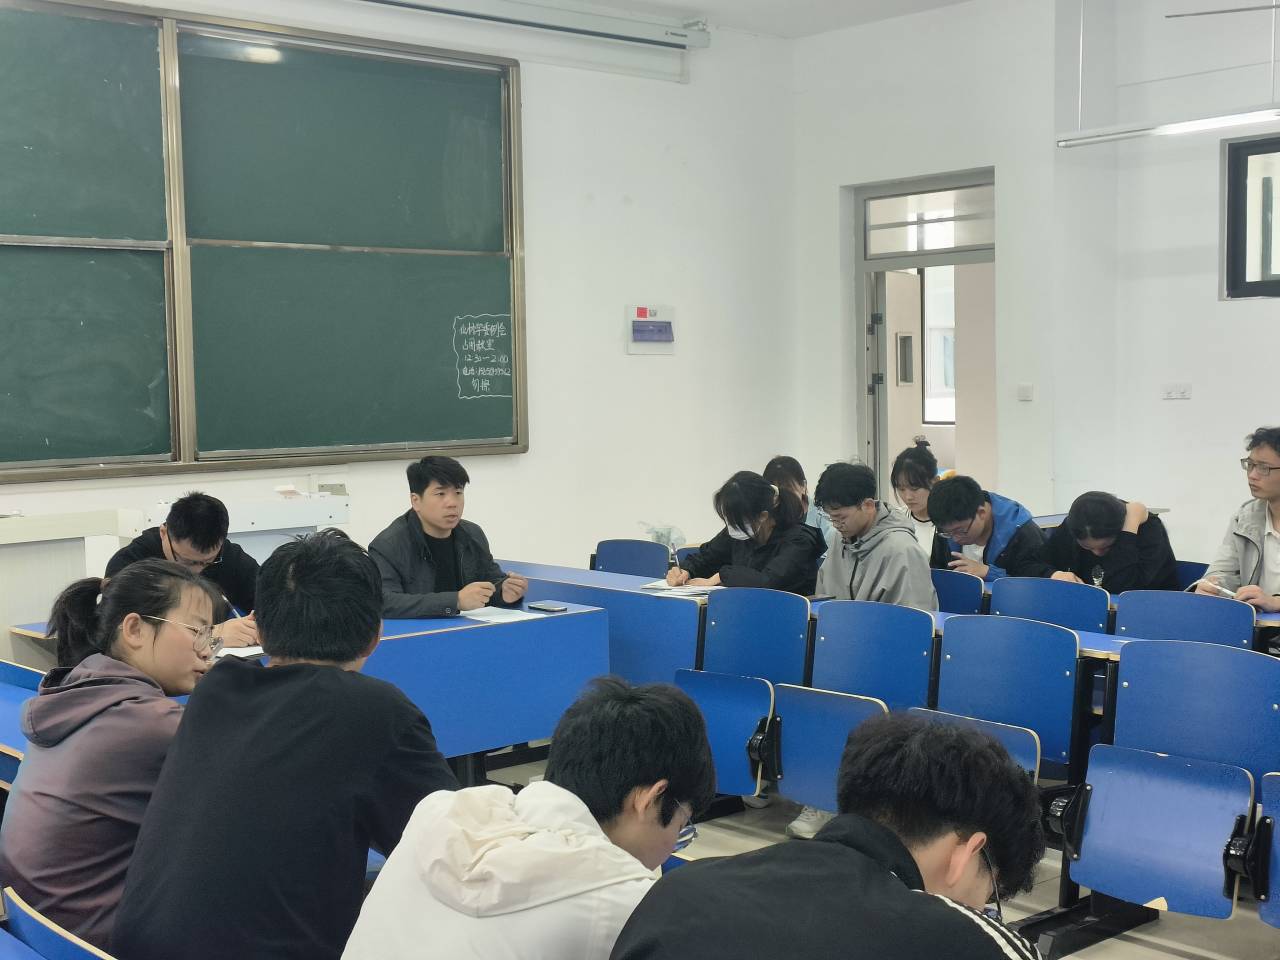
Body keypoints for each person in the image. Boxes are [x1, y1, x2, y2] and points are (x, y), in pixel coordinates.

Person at [113, 530, 459, 960]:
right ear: (375, 634)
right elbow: (456, 853)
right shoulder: (377, 710)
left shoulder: (217, 688)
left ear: (261, 627)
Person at [609, 712, 1043, 960]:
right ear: (969, 851)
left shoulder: (683, 888)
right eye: (990, 896)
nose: (982, 912)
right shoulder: (971, 944)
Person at [343, 677, 715, 960]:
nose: (672, 846)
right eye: (681, 826)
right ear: (650, 799)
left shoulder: (441, 813)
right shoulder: (621, 902)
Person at [0, 560, 220, 951]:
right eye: (197, 631)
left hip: (38, 929)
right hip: (100, 937)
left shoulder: (74, 692)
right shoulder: (153, 724)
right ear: (134, 629)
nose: (208, 651)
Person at [369, 455, 527, 618]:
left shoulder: (472, 534)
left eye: (458, 492)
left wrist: (504, 592)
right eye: (440, 494)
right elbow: (384, 602)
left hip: (470, 629)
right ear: (416, 501)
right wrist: (455, 601)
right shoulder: (388, 545)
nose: (452, 503)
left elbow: (492, 582)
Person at [104, 491, 259, 650]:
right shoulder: (131, 563)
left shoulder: (231, 557)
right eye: (186, 562)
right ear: (164, 533)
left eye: (208, 562)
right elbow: (115, 633)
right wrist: (210, 635)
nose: (197, 571)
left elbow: (268, 602)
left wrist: (258, 627)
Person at [813, 462, 937, 609]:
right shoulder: (839, 538)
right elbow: (823, 599)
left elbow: (914, 617)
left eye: (841, 517)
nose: (836, 525)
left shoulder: (902, 550)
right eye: (831, 518)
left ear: (868, 506)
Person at [1197, 427, 1280, 614]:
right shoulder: (1245, 516)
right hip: (1257, 626)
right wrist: (1213, 587)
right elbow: (1222, 572)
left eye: (1263, 468)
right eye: (1250, 464)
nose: (1252, 475)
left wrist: (1276, 602)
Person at [927, 476, 1051, 582]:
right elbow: (937, 574)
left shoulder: (1022, 533)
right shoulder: (946, 529)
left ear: (981, 513)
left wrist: (990, 573)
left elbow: (1040, 585)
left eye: (961, 531)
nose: (955, 539)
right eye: (948, 533)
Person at [1047, 492, 1178, 592]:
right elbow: (1036, 563)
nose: (1097, 553)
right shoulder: (1075, 525)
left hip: (1148, 608)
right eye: (1087, 547)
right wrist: (1054, 574)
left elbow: (1123, 588)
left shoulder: (1149, 529)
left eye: (1106, 546)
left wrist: (1128, 531)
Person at [763, 454, 833, 542]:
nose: (783, 496)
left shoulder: (823, 515)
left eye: (788, 488)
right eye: (776, 490)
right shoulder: (766, 517)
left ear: (803, 486)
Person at [891, 438, 944, 555]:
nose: (908, 497)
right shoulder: (894, 521)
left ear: (935, 482)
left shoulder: (952, 524)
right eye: (901, 489)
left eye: (914, 488)